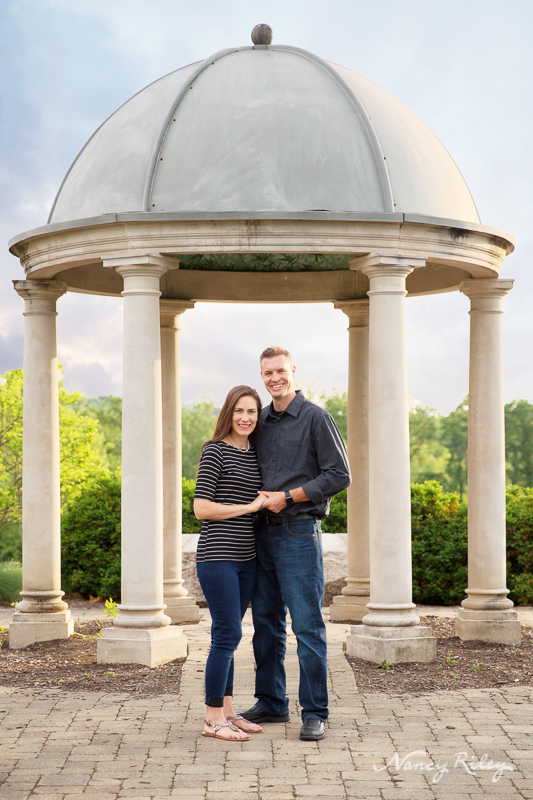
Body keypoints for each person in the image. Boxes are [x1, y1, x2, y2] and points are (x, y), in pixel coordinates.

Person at [239, 347, 351, 741]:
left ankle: (315, 711)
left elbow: (339, 475)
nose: (274, 378)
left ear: (293, 372)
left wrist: (287, 497)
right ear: (262, 375)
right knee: (266, 624)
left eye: (280, 371)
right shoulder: (259, 420)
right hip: (260, 533)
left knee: (307, 625)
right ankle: (271, 702)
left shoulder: (316, 418)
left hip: (298, 532)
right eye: (267, 372)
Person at [194, 385, 267, 741]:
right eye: (239, 411)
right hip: (217, 556)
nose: (245, 418)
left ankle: (227, 711)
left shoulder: (255, 454)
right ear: (228, 413)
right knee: (228, 634)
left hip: (246, 559)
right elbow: (201, 508)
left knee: (228, 635)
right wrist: (250, 507)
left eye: (252, 412)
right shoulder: (215, 452)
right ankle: (211, 720)